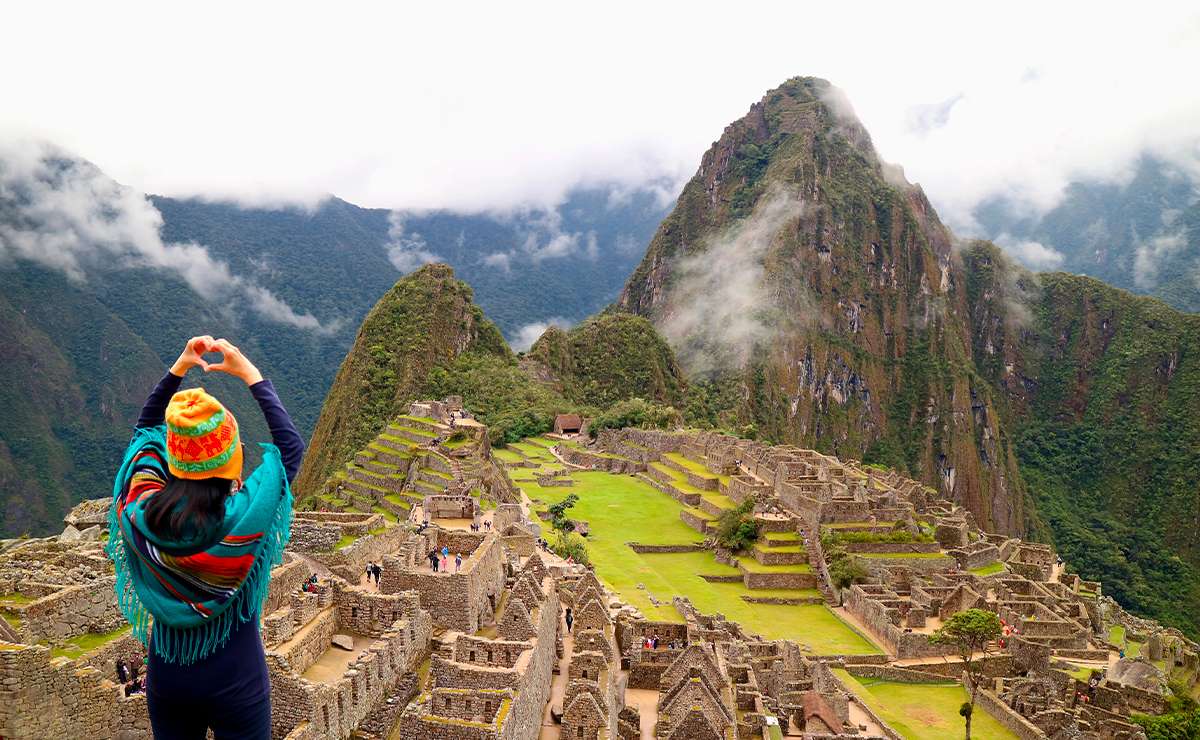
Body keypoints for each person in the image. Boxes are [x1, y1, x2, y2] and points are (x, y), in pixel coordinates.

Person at [107, 336, 304, 739]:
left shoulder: (141, 513)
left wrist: (178, 368)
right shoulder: (242, 520)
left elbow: (143, 433)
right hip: (237, 680)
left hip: (168, 680)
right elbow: (290, 449)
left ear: (174, 461)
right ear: (230, 460)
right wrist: (250, 373)